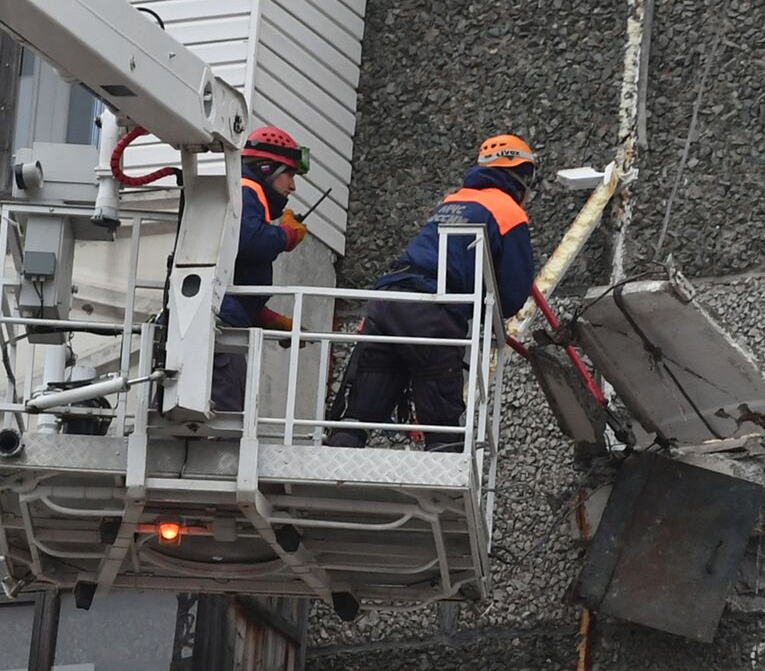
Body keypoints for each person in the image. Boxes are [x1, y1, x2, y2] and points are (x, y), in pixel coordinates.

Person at [327, 134, 538, 451]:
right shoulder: (509, 212)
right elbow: (510, 297)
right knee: (441, 414)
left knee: (364, 402)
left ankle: (340, 455)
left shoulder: (453, 202)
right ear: (522, 174)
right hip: (430, 314)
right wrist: (480, 305)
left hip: (387, 302)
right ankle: (445, 468)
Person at [211, 125, 310, 411]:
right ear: (267, 169)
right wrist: (287, 234)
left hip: (219, 321)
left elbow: (232, 276)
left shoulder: (241, 191)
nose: (292, 187)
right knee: (224, 416)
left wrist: (268, 318)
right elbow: (249, 240)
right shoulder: (247, 188)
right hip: (219, 329)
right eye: (290, 174)